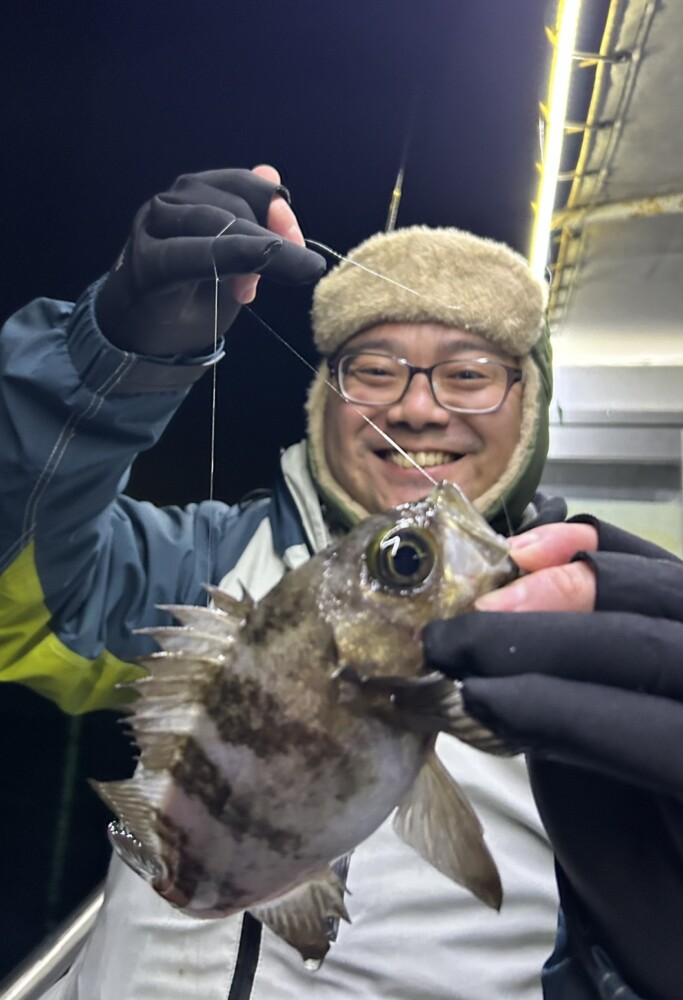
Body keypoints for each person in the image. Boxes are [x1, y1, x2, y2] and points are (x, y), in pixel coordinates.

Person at [0, 165, 681, 1000]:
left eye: (468, 372)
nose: (418, 409)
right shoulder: (211, 563)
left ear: (530, 404)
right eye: (372, 368)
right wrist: (104, 366)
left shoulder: (606, 625)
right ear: (324, 398)